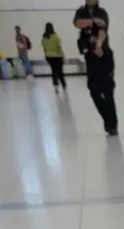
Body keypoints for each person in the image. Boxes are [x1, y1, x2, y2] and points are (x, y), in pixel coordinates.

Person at [73, 0, 117, 135]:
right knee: (93, 90)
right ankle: (107, 120)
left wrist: (98, 45)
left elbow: (103, 30)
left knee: (108, 91)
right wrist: (92, 21)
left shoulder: (102, 12)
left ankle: (112, 125)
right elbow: (77, 23)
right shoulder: (81, 11)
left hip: (103, 55)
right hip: (90, 57)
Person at [42, 23, 67, 92]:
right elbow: (59, 47)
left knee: (53, 71)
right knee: (60, 71)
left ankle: (55, 85)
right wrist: (63, 56)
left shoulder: (44, 37)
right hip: (57, 56)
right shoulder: (56, 37)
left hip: (49, 56)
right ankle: (64, 85)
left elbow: (44, 48)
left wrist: (46, 54)